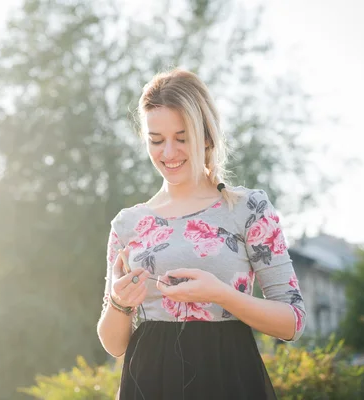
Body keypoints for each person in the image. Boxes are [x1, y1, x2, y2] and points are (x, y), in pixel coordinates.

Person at [97, 68, 306, 400]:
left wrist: (222, 295)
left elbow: (292, 322)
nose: (168, 153)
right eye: (156, 140)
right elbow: (114, 344)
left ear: (207, 136)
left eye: (182, 138)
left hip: (228, 379)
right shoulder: (128, 224)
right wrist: (121, 304)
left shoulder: (248, 208)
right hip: (147, 383)